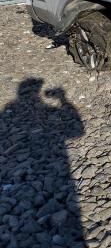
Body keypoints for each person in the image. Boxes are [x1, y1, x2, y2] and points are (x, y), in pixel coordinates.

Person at [0, 78, 85, 247]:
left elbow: (77, 132)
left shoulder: (10, 108)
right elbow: (78, 131)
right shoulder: (13, 108)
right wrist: (63, 100)